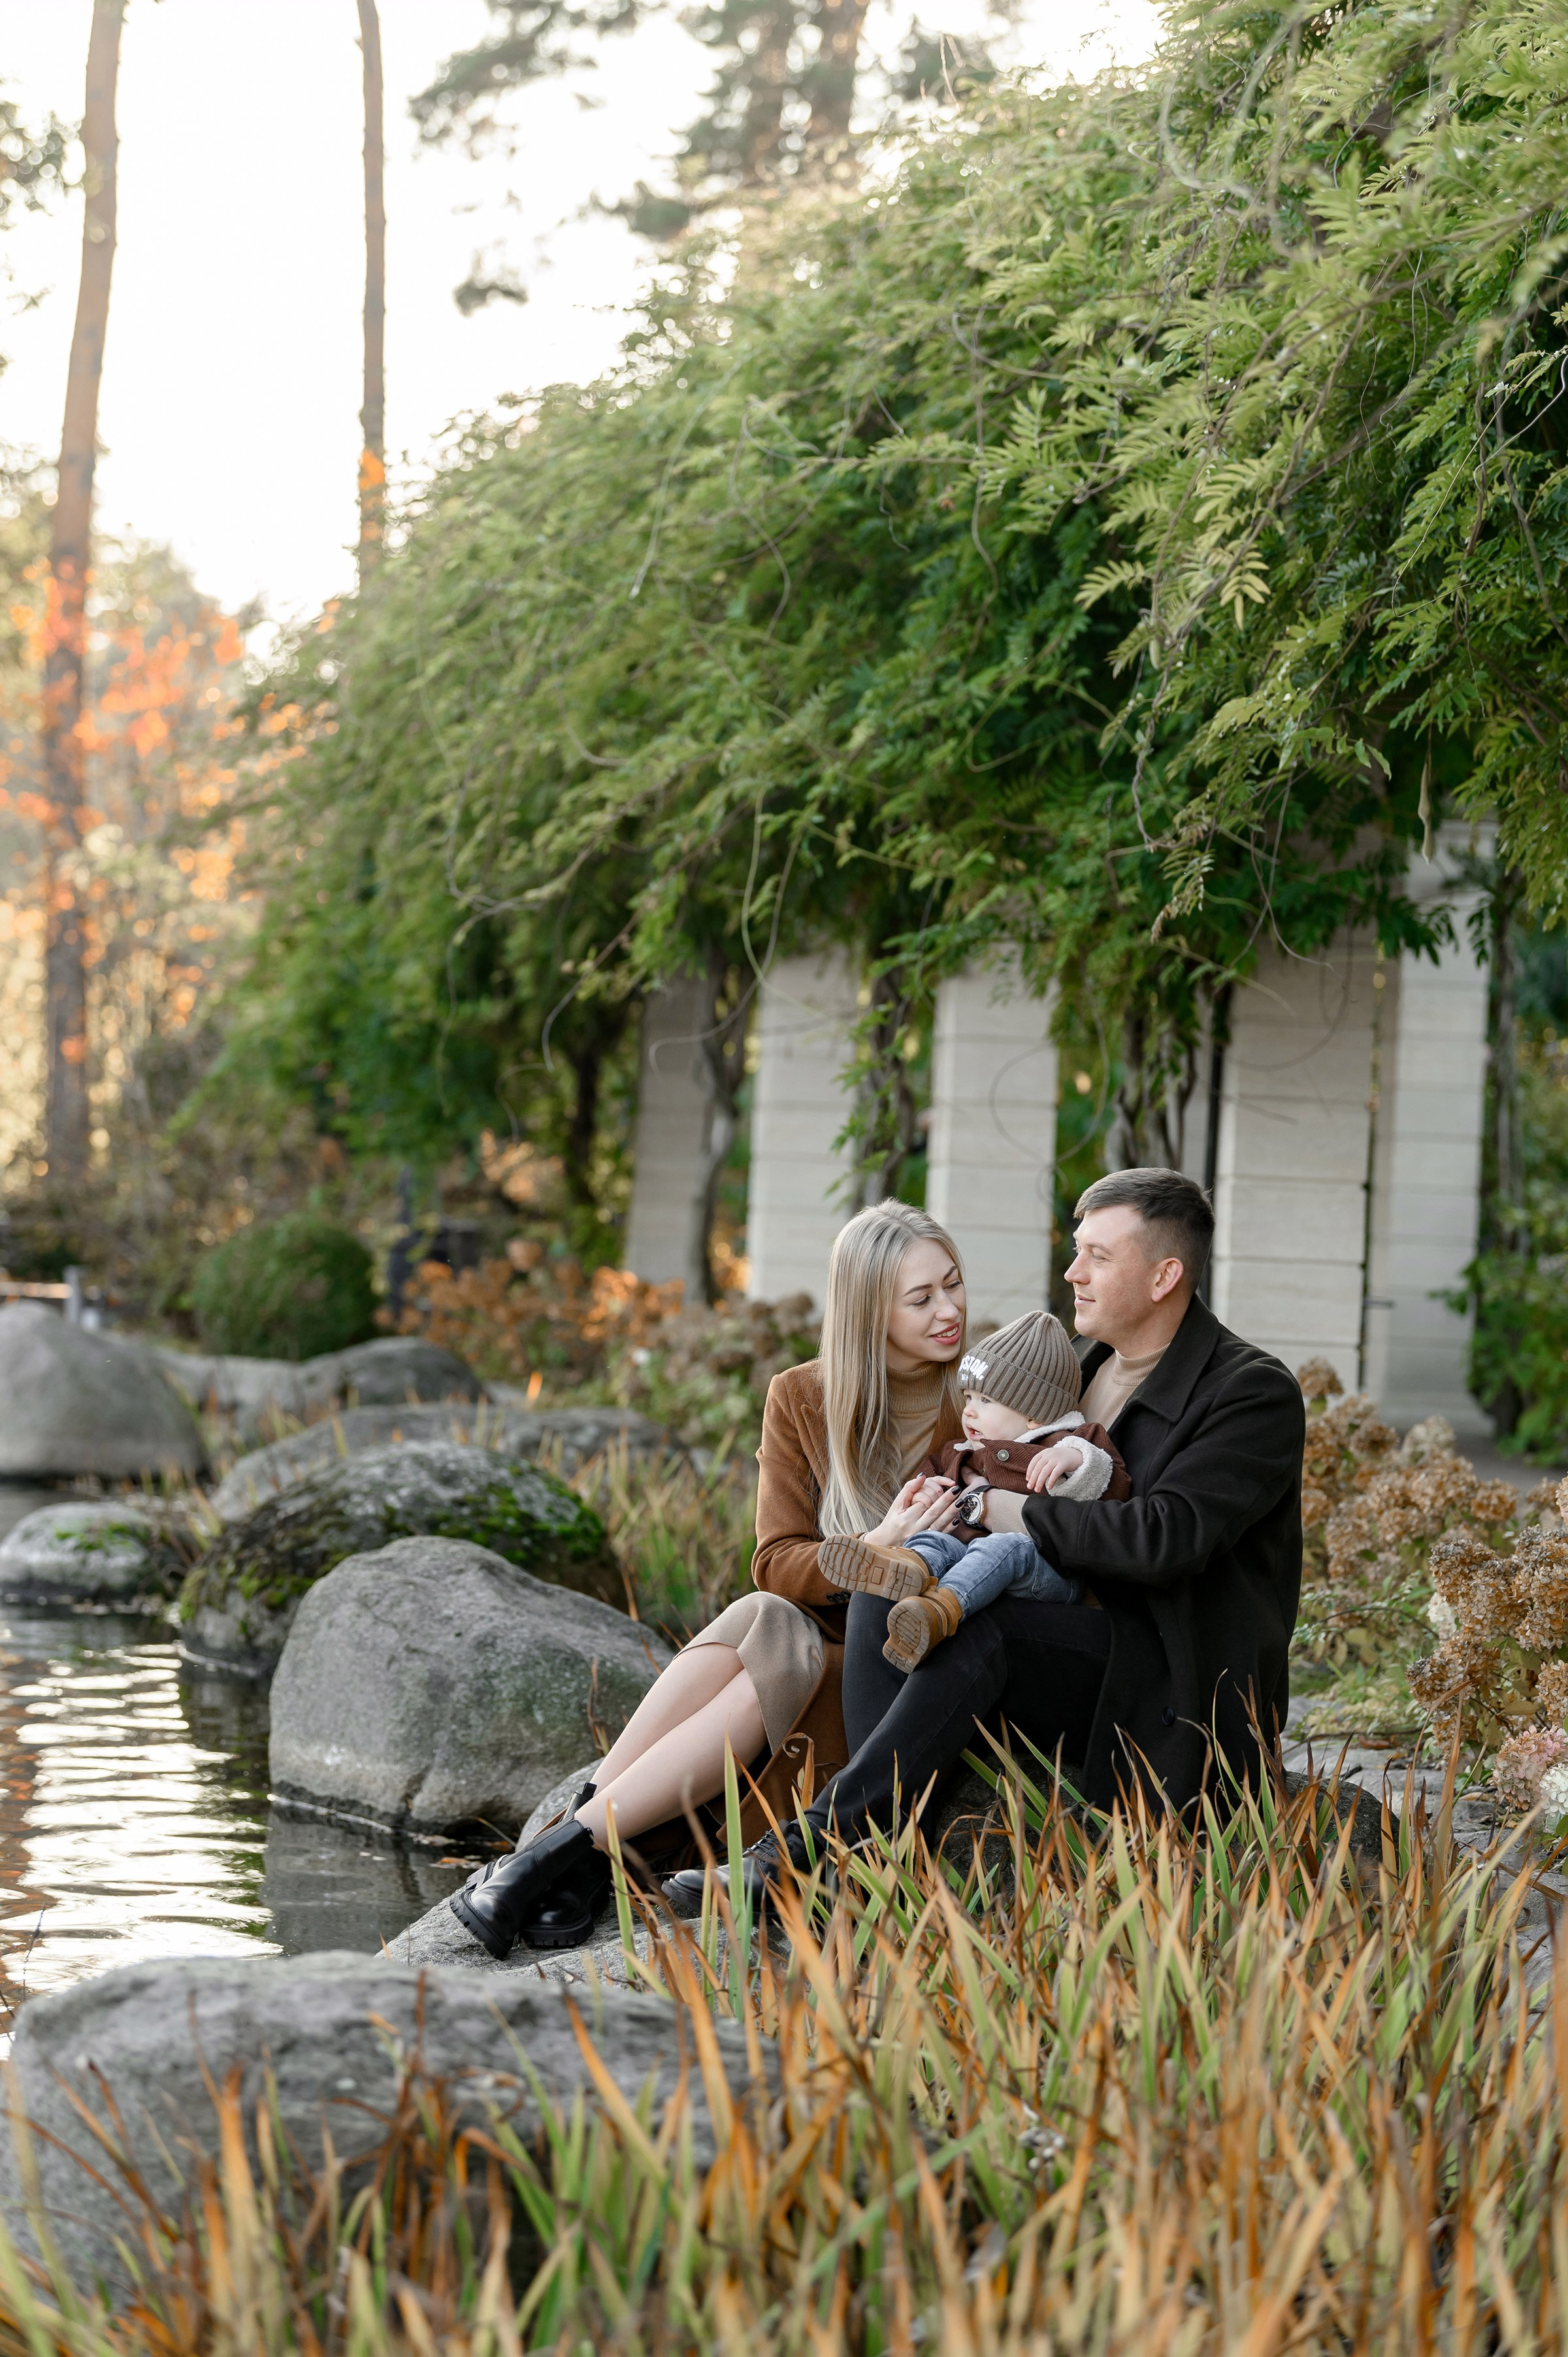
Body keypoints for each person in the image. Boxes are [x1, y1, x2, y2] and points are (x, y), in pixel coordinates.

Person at [664, 1166, 1305, 1914]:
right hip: (1071, 1637)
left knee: (987, 1629)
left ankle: (813, 1846)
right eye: (1076, 1249)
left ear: (1165, 1275)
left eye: (1098, 1255)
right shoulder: (1077, 1365)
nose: (1072, 1272)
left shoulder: (1248, 1391)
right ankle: (873, 1855)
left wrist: (1007, 1511)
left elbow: (1166, 1540)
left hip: (1166, 1678)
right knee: (892, 1584)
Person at [448, 1198, 968, 1959]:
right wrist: (870, 1545)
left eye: (953, 1284)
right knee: (768, 1613)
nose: (950, 1309)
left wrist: (894, 1559)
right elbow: (777, 1561)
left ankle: (558, 1855)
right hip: (797, 1637)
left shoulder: (983, 1403)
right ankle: (576, 1860)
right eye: (922, 1298)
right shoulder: (804, 1397)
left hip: (884, 1667)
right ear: (868, 1309)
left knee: (783, 1641)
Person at [814, 1307, 1132, 1670]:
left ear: (1033, 1415)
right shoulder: (963, 1454)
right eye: (968, 1398)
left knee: (1004, 1546)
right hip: (970, 1562)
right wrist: (925, 1492)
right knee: (937, 1541)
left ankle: (939, 1611)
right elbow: (927, 1480)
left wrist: (1074, 1460)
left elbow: (1114, 1483)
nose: (969, 1413)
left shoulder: (1064, 1442)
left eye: (986, 1402)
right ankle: (907, 1568)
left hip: (1046, 1573)